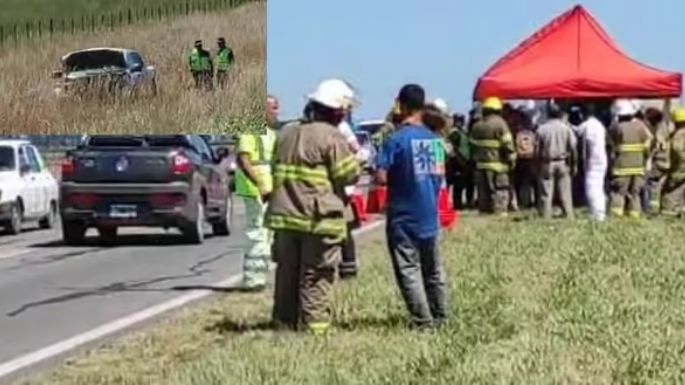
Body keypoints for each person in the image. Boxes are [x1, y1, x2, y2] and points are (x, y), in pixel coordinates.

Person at [267, 79, 360, 334]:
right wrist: (358, 160)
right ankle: (315, 330)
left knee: (287, 274)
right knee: (316, 275)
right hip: (318, 220)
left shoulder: (287, 134)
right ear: (338, 110)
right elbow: (347, 175)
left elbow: (275, 170)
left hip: (285, 218)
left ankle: (284, 325)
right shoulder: (331, 137)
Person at [375, 84, 447, 330]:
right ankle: (441, 316)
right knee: (434, 270)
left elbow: (381, 177)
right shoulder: (435, 141)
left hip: (403, 215)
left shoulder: (395, 140)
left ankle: (422, 321)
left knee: (408, 269)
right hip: (430, 213)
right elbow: (439, 178)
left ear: (401, 105)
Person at [235, 95, 279, 291]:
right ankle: (252, 280)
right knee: (257, 233)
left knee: (267, 233)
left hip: (269, 188)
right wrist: (259, 183)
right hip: (255, 190)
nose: (277, 112)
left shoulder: (271, 133)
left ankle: (260, 276)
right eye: (274, 108)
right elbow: (244, 159)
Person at [470, 97, 516, 216]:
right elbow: (508, 144)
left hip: (480, 165)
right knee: (500, 189)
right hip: (498, 165)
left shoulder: (477, 125)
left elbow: (472, 146)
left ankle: (484, 210)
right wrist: (512, 159)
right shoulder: (500, 123)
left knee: (483, 190)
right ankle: (499, 211)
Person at [608, 99, 652, 219]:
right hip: (638, 167)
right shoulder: (641, 126)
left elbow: (609, 143)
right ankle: (634, 216)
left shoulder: (616, 127)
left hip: (621, 167)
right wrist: (646, 158)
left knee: (619, 193)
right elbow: (648, 144)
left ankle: (617, 217)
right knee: (635, 193)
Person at [535, 103, 577, 219]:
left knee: (546, 192)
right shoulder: (566, 128)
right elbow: (573, 147)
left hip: (547, 162)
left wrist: (537, 164)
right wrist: (574, 164)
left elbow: (537, 149)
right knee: (565, 191)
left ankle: (545, 216)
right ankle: (569, 215)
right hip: (563, 162)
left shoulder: (541, 129)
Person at [337, 102, 363, 280]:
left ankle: (348, 266)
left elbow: (358, 152)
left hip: (342, 187)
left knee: (343, 228)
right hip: (331, 185)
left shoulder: (343, 128)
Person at [580, 104, 609, 221]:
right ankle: (600, 211)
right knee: (599, 186)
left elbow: (580, 136)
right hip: (602, 158)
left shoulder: (587, 125)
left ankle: (597, 213)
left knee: (592, 186)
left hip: (593, 159)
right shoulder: (599, 125)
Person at [642, 107, 670, 214]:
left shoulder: (658, 131)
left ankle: (650, 208)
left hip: (659, 161)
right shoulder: (665, 127)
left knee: (651, 184)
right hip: (665, 161)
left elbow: (656, 147)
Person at [661, 107, 685, 217]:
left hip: (679, 168)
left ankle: (669, 212)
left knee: (669, 190)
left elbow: (677, 149)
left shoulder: (679, 134)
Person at [446, 113, 473, 210]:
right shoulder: (455, 134)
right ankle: (457, 205)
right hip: (457, 164)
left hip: (464, 163)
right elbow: (451, 149)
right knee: (458, 186)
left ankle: (461, 204)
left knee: (461, 185)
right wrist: (457, 160)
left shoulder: (463, 133)